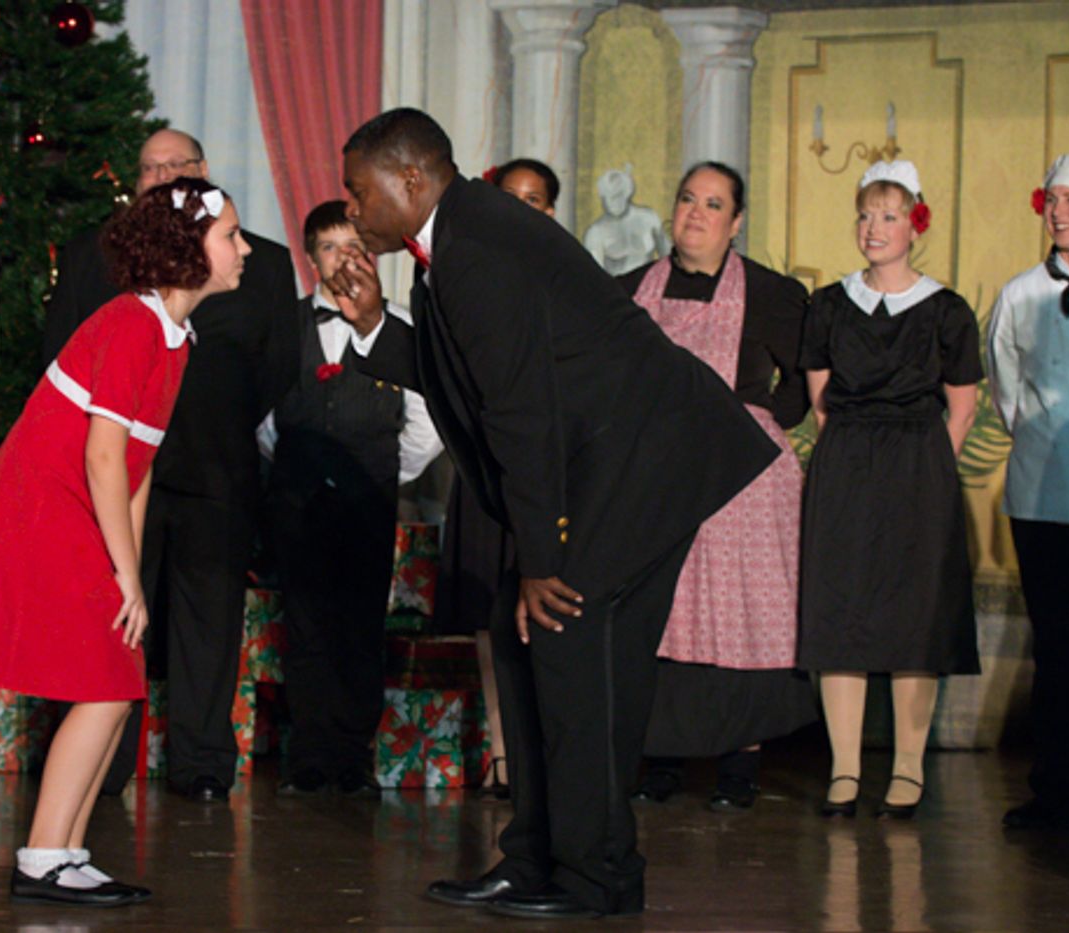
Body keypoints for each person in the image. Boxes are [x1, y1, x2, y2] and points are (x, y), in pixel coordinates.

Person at [332, 108, 776, 920]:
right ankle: (537, 858)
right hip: (620, 456)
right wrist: (371, 325)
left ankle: (595, 875)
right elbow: (470, 376)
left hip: (644, 457)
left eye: (358, 192)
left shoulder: (477, 247)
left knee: (570, 641)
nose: (351, 210)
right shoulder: (458, 237)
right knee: (522, 631)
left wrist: (542, 555)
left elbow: (522, 412)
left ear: (411, 179)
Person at [0, 178, 250, 905]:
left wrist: (126, 570)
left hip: (81, 506)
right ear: (185, 250)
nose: (242, 249)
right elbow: (102, 455)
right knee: (104, 686)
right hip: (38, 505)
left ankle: (66, 850)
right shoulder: (131, 323)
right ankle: (42, 856)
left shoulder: (176, 339)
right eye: (229, 234)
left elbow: (135, 470)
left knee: (121, 675)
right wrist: (126, 578)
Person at [42, 128, 298, 800]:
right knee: (113, 621)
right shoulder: (92, 260)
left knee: (209, 624)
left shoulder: (260, 265)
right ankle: (102, 770)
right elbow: (65, 368)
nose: (162, 177)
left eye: (177, 166)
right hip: (118, 479)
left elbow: (278, 370)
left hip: (219, 473)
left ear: (204, 173)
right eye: (149, 167)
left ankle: (202, 762)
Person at [620, 161, 817, 813]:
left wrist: (755, 415)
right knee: (663, 614)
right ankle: (662, 759)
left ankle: (741, 763)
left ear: (736, 222)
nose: (695, 214)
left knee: (744, 616)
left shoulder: (773, 294)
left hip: (742, 483)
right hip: (655, 475)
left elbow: (799, 390)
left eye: (713, 204)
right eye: (685, 200)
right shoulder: (626, 291)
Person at [796, 160, 981, 820]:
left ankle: (907, 767)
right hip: (846, 459)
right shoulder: (828, 304)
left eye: (889, 215)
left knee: (914, 612)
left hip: (917, 464)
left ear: (915, 224)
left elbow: (961, 407)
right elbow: (821, 399)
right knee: (840, 608)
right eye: (866, 214)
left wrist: (923, 466)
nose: (874, 228)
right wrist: (854, 454)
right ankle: (845, 769)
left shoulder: (944, 311)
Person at [258, 200, 440, 797]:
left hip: (368, 500)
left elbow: (426, 424)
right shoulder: (285, 325)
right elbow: (263, 419)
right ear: (311, 258)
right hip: (298, 500)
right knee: (307, 626)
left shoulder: (403, 333)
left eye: (355, 248)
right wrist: (296, 467)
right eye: (330, 247)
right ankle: (309, 752)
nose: (343, 260)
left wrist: (380, 472)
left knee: (360, 627)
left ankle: (352, 754)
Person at [989, 153, 1069, 833]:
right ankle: (1058, 789)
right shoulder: (1018, 294)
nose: (1059, 210)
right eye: (1052, 198)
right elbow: (1006, 388)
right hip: (1041, 496)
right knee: (1057, 645)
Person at [434, 157, 560, 801]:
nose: (521, 209)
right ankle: (506, 753)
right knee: (490, 614)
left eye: (535, 200)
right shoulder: (462, 275)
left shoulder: (568, 282)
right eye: (510, 197)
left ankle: (549, 754)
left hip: (547, 475)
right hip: (485, 470)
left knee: (547, 614)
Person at [583, 165, 669, 275]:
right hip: (617, 290)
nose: (611, 203)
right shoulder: (595, 233)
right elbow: (594, 277)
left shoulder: (649, 219)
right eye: (607, 197)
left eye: (617, 196)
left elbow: (668, 258)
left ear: (627, 192)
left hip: (651, 288)